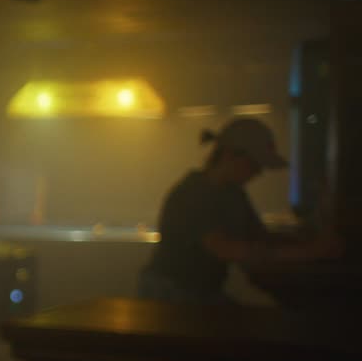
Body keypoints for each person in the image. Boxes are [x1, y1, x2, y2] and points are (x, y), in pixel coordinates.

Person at [138, 117, 341, 303]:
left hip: (201, 293)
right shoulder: (192, 194)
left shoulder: (234, 195)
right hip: (171, 296)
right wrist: (308, 252)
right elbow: (226, 249)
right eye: (254, 164)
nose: (258, 172)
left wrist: (306, 242)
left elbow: (259, 236)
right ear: (229, 155)